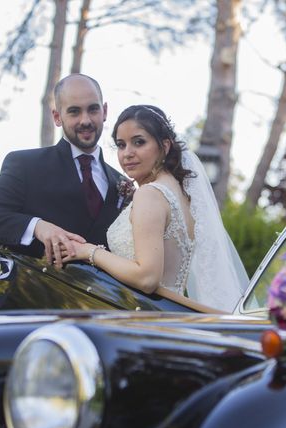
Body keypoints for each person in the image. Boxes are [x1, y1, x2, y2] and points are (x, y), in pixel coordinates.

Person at [67, 105, 249, 311]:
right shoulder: (184, 195)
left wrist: (89, 251)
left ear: (165, 145)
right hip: (172, 313)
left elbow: (147, 278)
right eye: (121, 145)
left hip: (146, 313)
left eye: (139, 142)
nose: (127, 153)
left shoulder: (150, 194)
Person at [0, 73, 123, 266]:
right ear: (57, 117)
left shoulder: (121, 184)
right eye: (74, 112)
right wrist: (37, 226)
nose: (85, 120)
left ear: (105, 111)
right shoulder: (27, 165)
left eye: (93, 109)